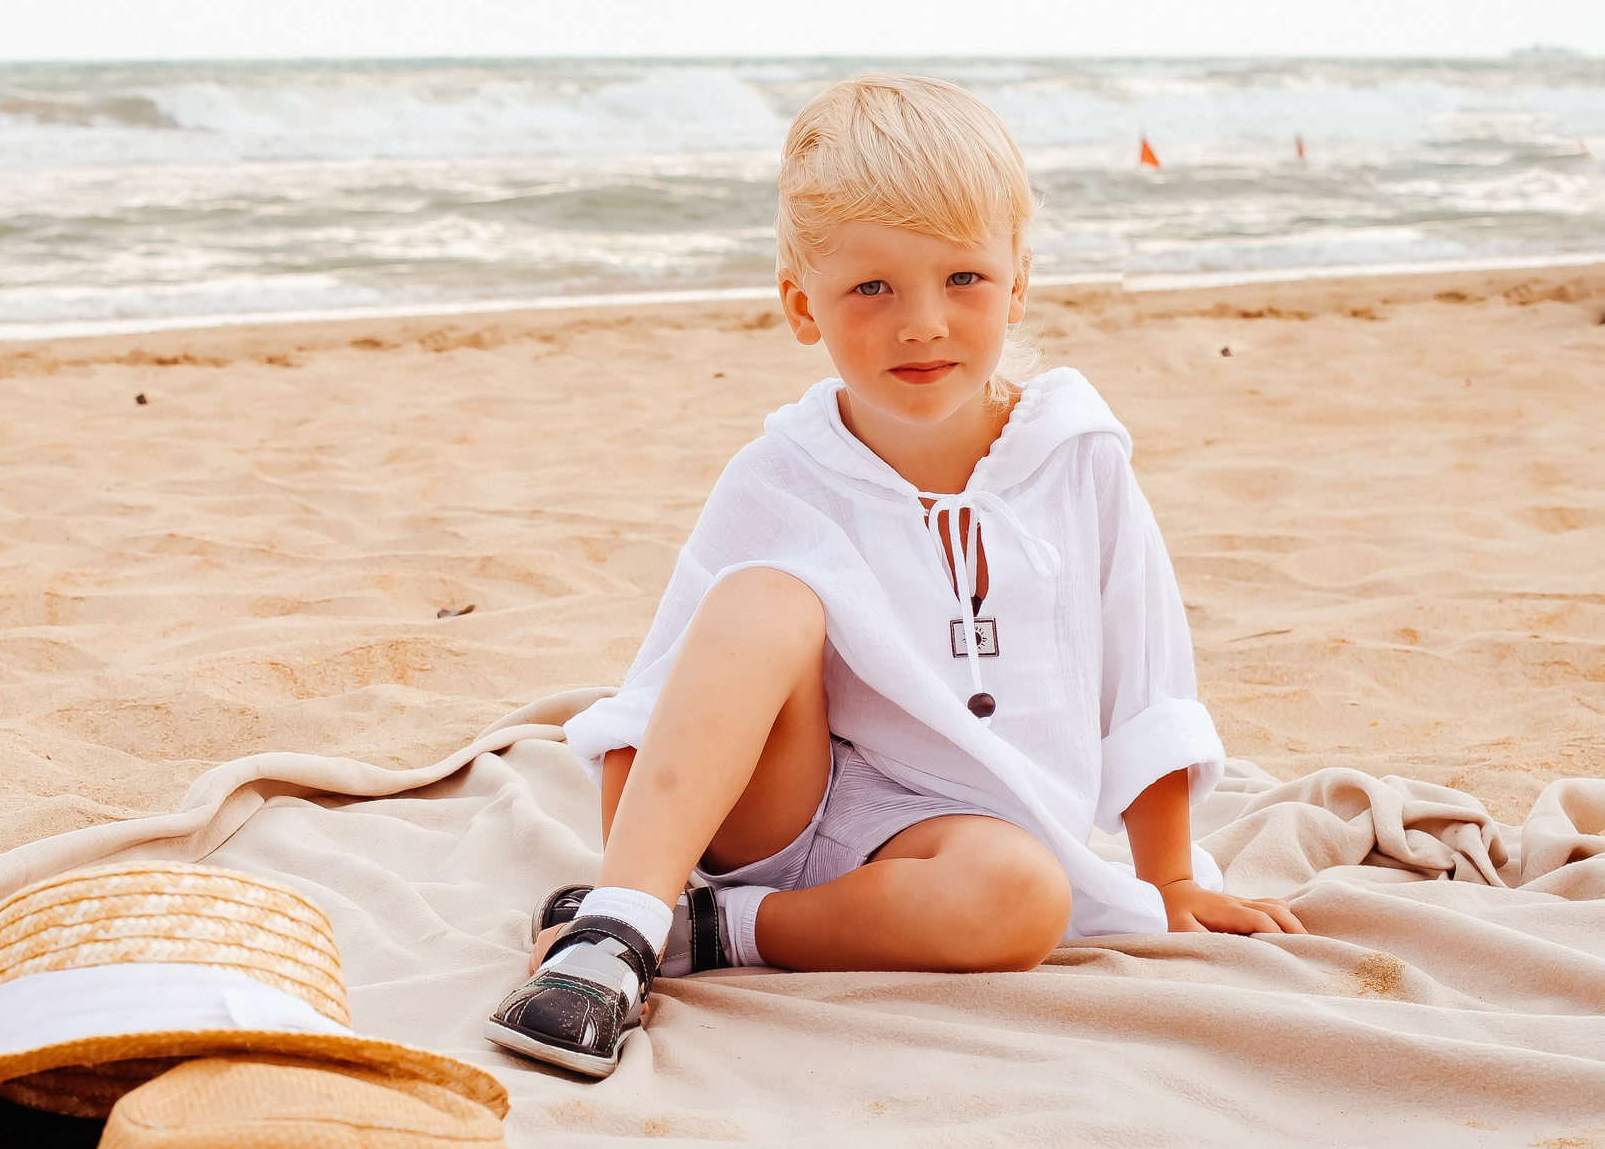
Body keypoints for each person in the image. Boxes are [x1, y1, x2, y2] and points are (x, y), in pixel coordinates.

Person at [487, 73, 1304, 1080]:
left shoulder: (1077, 459)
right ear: (801, 305)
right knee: (760, 597)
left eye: (962, 279)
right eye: (872, 288)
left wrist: (1171, 874)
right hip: (784, 804)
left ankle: (719, 931)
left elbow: (1145, 674)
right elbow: (663, 690)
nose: (921, 321)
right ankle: (622, 931)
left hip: (951, 846)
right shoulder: (782, 470)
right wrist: (628, 884)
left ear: (1018, 284)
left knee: (1023, 898)